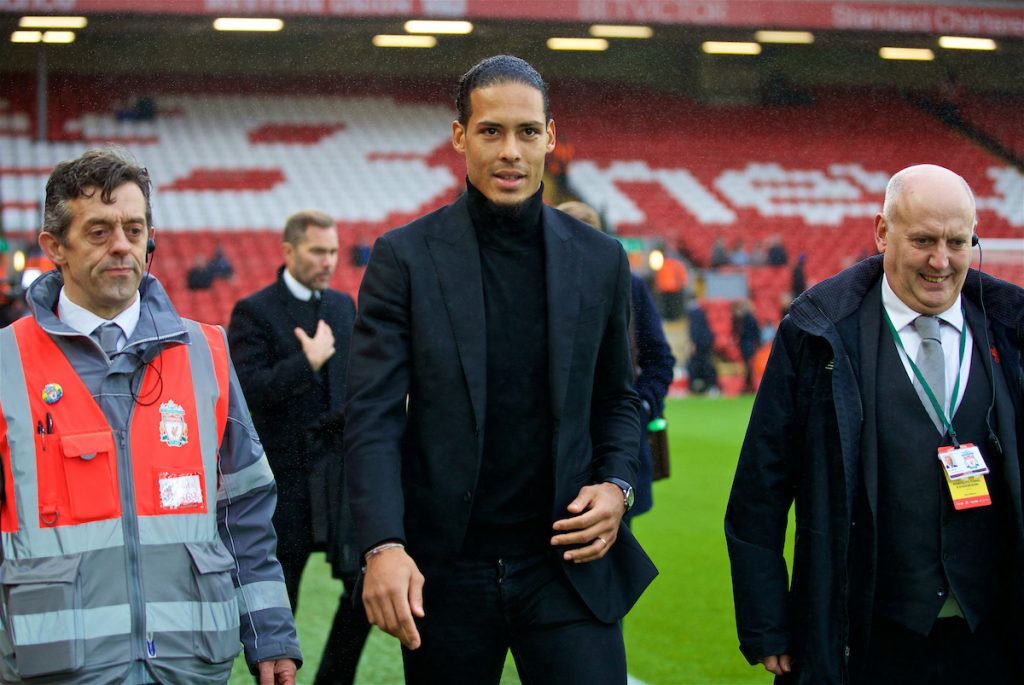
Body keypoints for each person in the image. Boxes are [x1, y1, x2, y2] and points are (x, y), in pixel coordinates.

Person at [344, 55, 657, 685]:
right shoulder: (403, 259)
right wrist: (383, 545)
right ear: (460, 136)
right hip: (446, 572)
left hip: (566, 564)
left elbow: (617, 399)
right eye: (491, 131)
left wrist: (617, 487)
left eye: (527, 132)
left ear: (549, 136)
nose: (510, 151)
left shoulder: (599, 260)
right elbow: (372, 418)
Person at [0, 147, 301, 685]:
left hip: (190, 664)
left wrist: (268, 629)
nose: (121, 246)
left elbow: (245, 509)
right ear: (54, 248)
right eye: (98, 232)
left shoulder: (207, 351)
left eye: (133, 230)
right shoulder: (5, 363)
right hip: (54, 669)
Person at [725, 164, 1024, 683]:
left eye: (958, 242)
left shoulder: (1011, 327)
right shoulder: (816, 332)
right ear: (882, 232)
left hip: (993, 636)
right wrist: (767, 621)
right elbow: (761, 486)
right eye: (924, 240)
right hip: (867, 634)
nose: (941, 261)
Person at [228, 210, 369, 685]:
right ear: (289, 251)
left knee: (364, 585)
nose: (328, 261)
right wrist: (305, 363)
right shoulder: (254, 310)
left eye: (332, 251)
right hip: (286, 482)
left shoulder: (344, 306)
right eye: (317, 251)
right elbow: (245, 392)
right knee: (282, 596)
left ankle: (334, 678)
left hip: (340, 479)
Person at [557, 200, 676, 520]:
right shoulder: (541, 286)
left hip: (615, 442)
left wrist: (639, 407)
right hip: (559, 442)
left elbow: (658, 358)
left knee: (613, 538)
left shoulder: (629, 284)